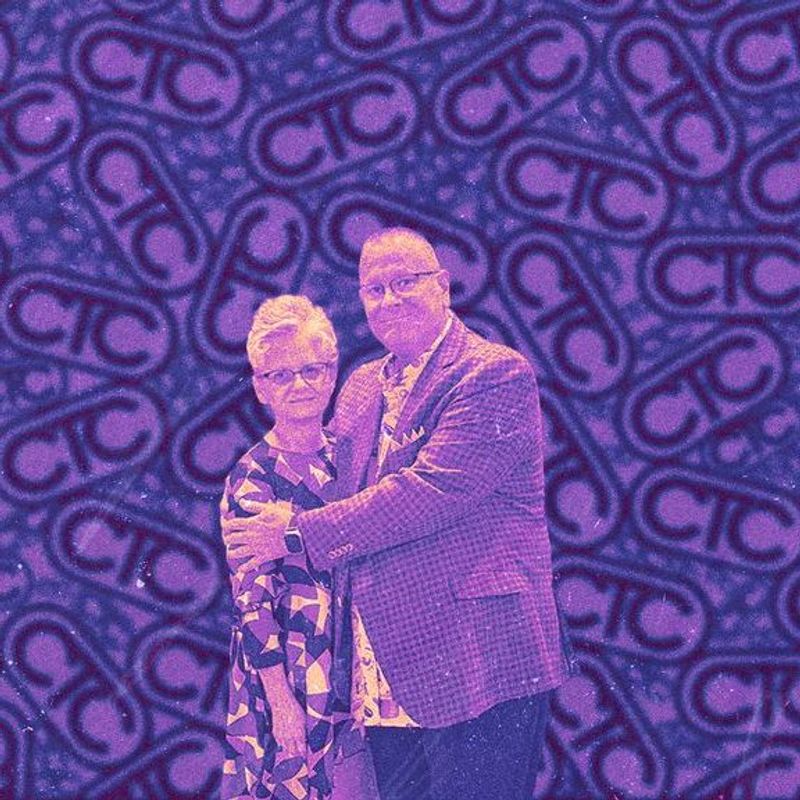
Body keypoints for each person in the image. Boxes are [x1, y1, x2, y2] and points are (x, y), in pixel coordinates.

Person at [224, 228, 574, 800]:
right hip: (384, 670)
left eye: (405, 282)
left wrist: (291, 531)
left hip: (478, 661)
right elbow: (336, 494)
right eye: (374, 289)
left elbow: (428, 491)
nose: (389, 300)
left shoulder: (491, 374)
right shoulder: (362, 386)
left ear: (444, 287)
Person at [220, 295, 370, 800]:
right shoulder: (252, 475)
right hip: (287, 671)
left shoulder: (353, 460)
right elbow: (251, 600)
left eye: (311, 370)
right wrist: (281, 701)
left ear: (332, 373)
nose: (300, 385)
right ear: (260, 387)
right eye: (281, 375)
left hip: (354, 665)